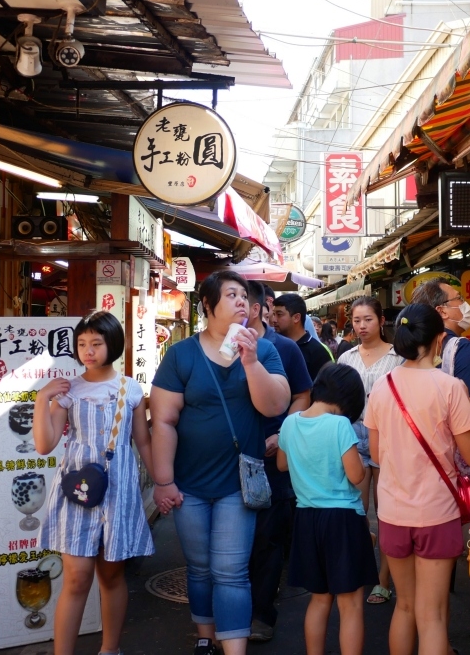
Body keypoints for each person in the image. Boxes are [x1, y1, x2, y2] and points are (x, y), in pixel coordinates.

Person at [151, 271, 290, 655]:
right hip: (189, 482)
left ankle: (234, 649)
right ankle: (204, 636)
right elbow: (163, 419)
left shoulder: (263, 350)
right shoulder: (181, 354)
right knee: (199, 568)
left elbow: (275, 405)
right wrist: (164, 480)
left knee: (231, 572)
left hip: (237, 483)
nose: (242, 301)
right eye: (231, 294)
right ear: (207, 306)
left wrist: (250, 362)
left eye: (244, 295)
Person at [33, 311, 154, 655]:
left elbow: (142, 441)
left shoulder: (130, 388)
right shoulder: (69, 390)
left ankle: (109, 649)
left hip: (118, 492)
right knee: (76, 577)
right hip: (78, 494)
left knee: (112, 577)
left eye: (96, 343)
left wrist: (162, 482)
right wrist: (43, 399)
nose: (88, 350)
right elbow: (44, 445)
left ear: (112, 344)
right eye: (82, 344)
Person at [366, 303, 470, 655]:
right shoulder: (450, 387)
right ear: (438, 339)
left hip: (392, 512)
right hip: (437, 512)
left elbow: (375, 455)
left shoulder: (381, 387)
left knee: (404, 606)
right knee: (431, 615)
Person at [411, 278, 470, 655]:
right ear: (441, 312)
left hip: (424, 480)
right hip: (468, 480)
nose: (464, 305)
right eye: (458, 299)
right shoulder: (461, 349)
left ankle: (440, 646)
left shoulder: (406, 356)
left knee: (435, 574)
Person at [277, 364, 377, 655]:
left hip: (306, 518)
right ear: (348, 399)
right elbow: (356, 476)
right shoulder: (339, 425)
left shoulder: (290, 423)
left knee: (319, 599)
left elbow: (282, 464)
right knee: (351, 603)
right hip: (343, 520)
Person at [245, 280, 313, 642]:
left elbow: (303, 395)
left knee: (268, 541)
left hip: (272, 461)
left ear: (256, 308)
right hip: (228, 462)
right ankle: (227, 614)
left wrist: (284, 432)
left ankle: (261, 615)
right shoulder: (217, 348)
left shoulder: (283, 347)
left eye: (241, 300)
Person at [336, 296, 403, 604]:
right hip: (351, 435)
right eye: (356, 321)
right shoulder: (345, 358)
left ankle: (383, 580)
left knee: (387, 511)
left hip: (388, 436)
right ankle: (362, 569)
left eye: (368, 320)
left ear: (382, 321)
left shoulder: (398, 357)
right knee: (356, 510)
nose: (361, 326)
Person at [272, 293, 332, 380]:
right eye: (273, 314)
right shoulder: (273, 345)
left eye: (279, 314)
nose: (274, 320)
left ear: (296, 317)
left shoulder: (318, 352)